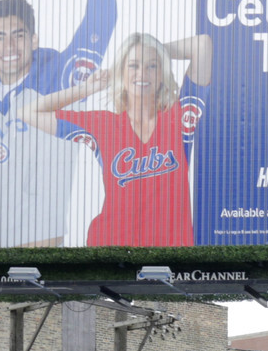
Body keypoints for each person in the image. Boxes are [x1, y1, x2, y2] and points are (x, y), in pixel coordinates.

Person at [0, 0, 116, 248]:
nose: (9, 46)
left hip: (45, 252)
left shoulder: (60, 76)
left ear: (33, 40)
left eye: (18, 35)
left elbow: (103, 17)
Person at [16, 31, 212, 247]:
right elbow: (28, 112)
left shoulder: (180, 116)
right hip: (112, 249)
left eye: (152, 66)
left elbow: (202, 45)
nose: (142, 73)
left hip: (171, 250)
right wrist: (87, 88)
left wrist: (154, 49)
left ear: (162, 73)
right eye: (133, 66)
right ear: (121, 72)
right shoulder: (102, 125)